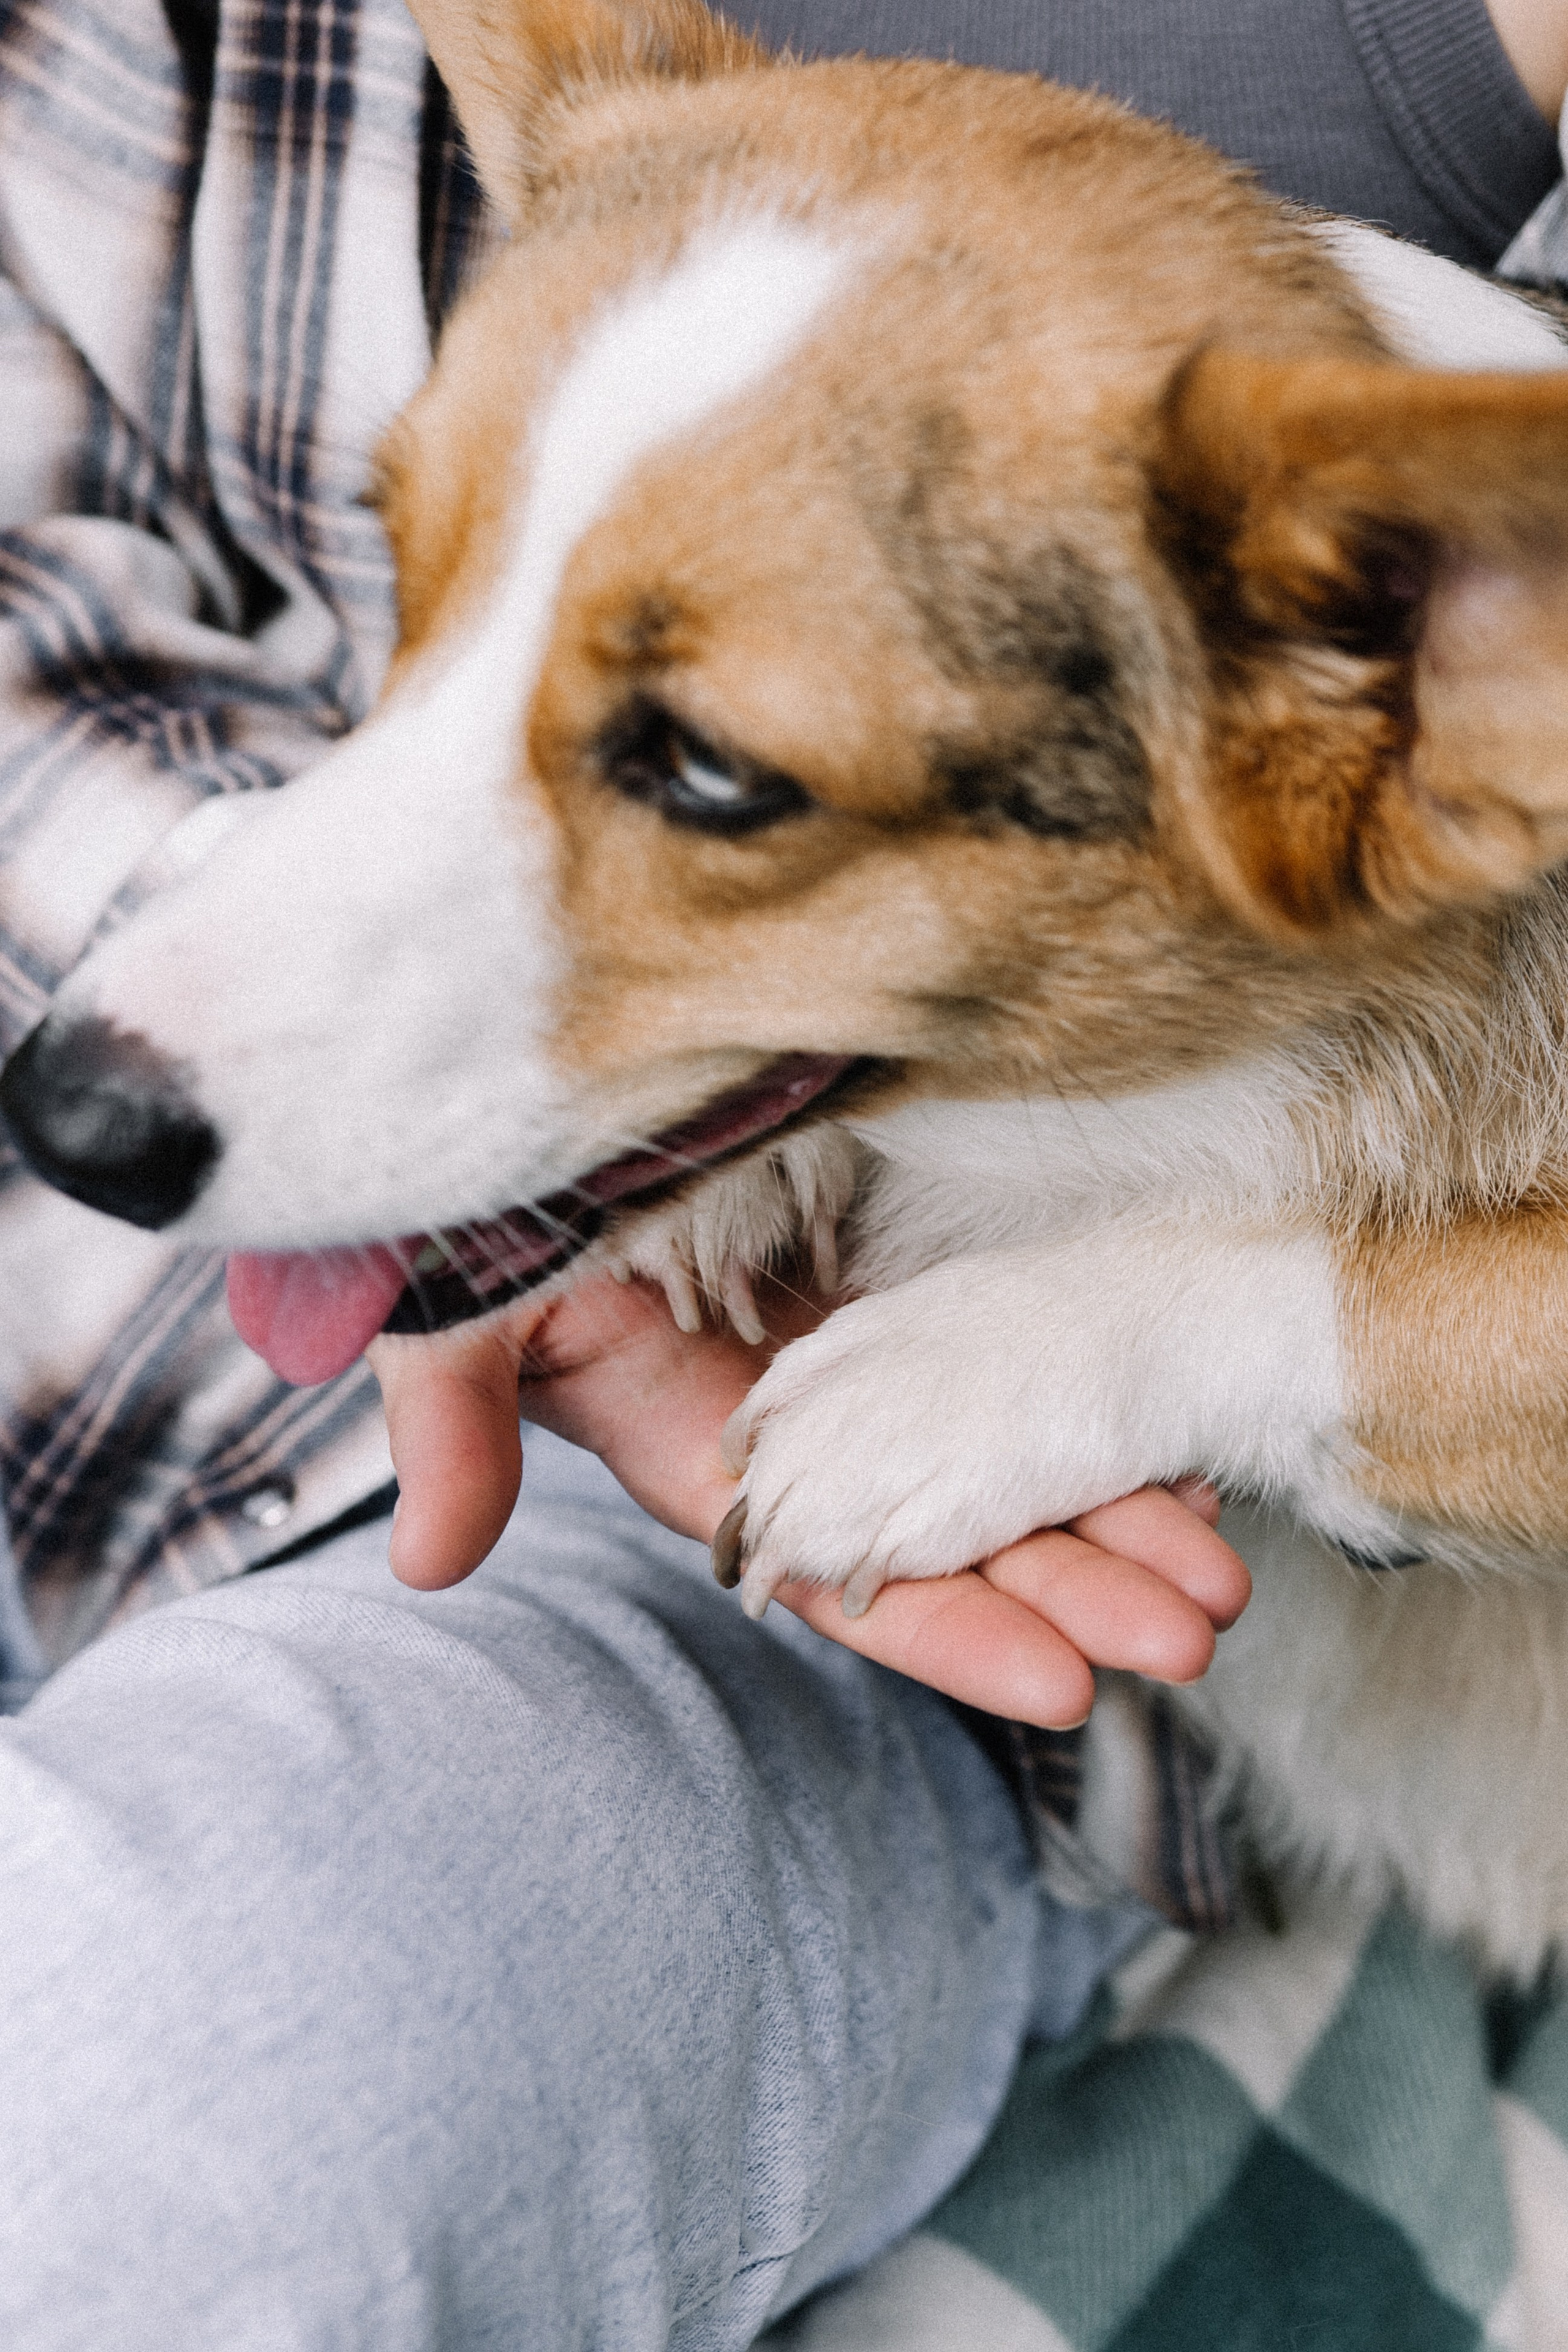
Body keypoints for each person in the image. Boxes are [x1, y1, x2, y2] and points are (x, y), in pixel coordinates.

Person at [0, 0, 1561, 2342]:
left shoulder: (1421, 588)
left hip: (894, 1657)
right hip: (198, 1373)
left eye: (710, 775)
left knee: (161, 2120)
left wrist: (1182, 1341)